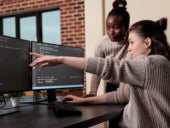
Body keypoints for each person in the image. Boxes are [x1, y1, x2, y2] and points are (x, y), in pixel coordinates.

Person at [29, 17, 170, 127]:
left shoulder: (154, 64)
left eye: (132, 43)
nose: (129, 48)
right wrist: (85, 100)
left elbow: (107, 66)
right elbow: (122, 95)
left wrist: (60, 59)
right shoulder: (153, 65)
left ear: (147, 43)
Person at [87, 0, 130, 97]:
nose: (111, 32)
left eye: (116, 27)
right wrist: (92, 92)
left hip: (130, 84)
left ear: (126, 27)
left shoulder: (132, 40)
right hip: (112, 84)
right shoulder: (101, 44)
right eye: (108, 27)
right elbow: (96, 69)